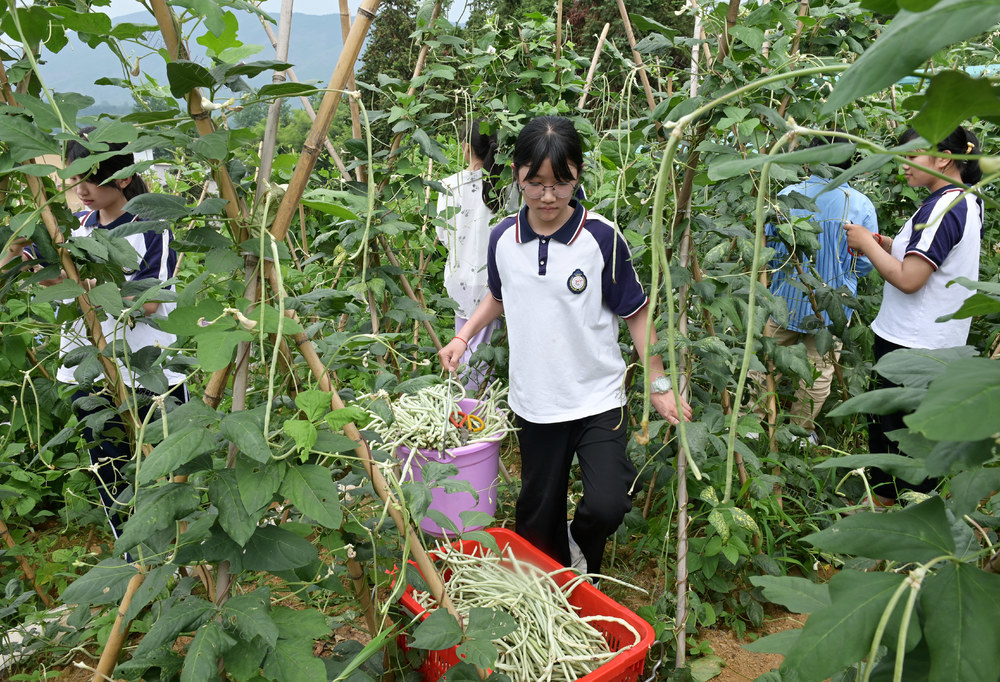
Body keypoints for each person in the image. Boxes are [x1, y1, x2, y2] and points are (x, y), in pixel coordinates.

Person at [439, 116, 692, 575]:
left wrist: (658, 383)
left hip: (597, 398)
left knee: (609, 502)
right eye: (535, 184)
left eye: (562, 182)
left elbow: (636, 311)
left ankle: (578, 544)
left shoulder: (600, 238)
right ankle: (561, 588)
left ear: (578, 174)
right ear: (516, 174)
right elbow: (498, 296)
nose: (549, 197)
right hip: (536, 402)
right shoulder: (502, 239)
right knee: (537, 517)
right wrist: (463, 335)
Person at [12, 131, 186, 543]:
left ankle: (181, 556)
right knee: (110, 471)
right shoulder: (77, 229)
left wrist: (84, 284)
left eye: (92, 177)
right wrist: (20, 255)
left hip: (148, 371)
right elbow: (55, 280)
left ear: (124, 178)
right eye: (74, 178)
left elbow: (147, 300)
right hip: (91, 371)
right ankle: (134, 555)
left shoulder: (150, 227)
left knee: (168, 467)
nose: (82, 189)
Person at [845, 125, 983, 503]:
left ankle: (906, 519)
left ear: (943, 159)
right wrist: (885, 244)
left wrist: (865, 246)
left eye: (911, 157)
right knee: (907, 434)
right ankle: (889, 509)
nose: (903, 166)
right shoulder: (964, 200)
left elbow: (910, 279)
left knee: (900, 436)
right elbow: (930, 259)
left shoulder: (942, 208)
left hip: (912, 347)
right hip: (935, 343)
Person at [759, 134, 879, 443]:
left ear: (809, 163)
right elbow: (866, 262)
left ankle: (752, 424)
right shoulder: (860, 205)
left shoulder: (787, 194)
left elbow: (770, 245)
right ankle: (800, 432)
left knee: (764, 363)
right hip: (834, 305)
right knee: (819, 370)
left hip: (785, 299)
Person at [436, 119, 503, 391]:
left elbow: (443, 234)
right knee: (483, 353)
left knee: (464, 345)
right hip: (493, 282)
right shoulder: (503, 186)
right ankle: (476, 413)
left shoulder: (449, 185)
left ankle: (465, 410)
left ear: (465, 148)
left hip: (460, 277)